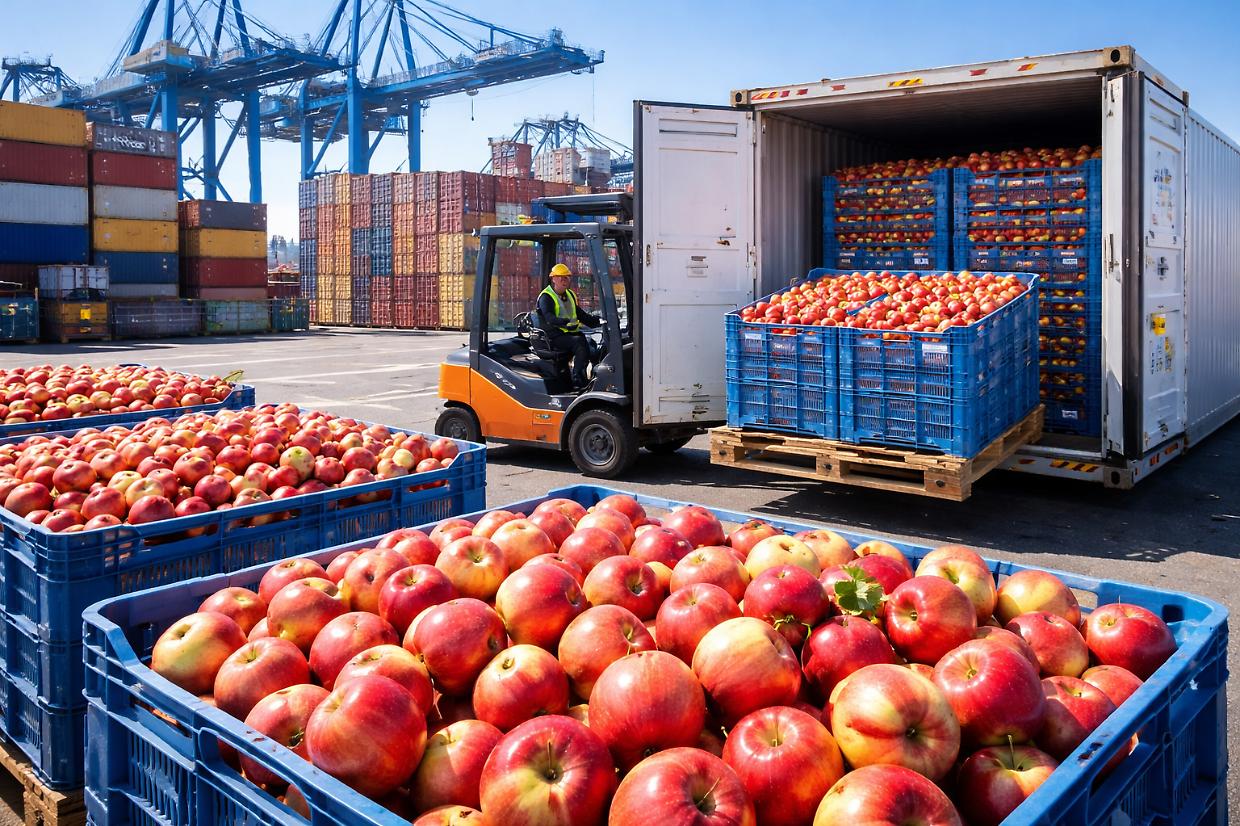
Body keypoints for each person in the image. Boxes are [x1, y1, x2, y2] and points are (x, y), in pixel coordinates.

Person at [536, 263, 601, 389]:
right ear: (553, 279)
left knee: (591, 344)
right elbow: (549, 317)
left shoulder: (570, 294)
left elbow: (581, 315)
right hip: (553, 337)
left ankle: (593, 375)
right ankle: (577, 378)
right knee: (579, 342)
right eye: (561, 277)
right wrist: (564, 322)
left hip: (568, 334)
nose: (564, 280)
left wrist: (600, 321)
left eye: (567, 277)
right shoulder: (546, 296)